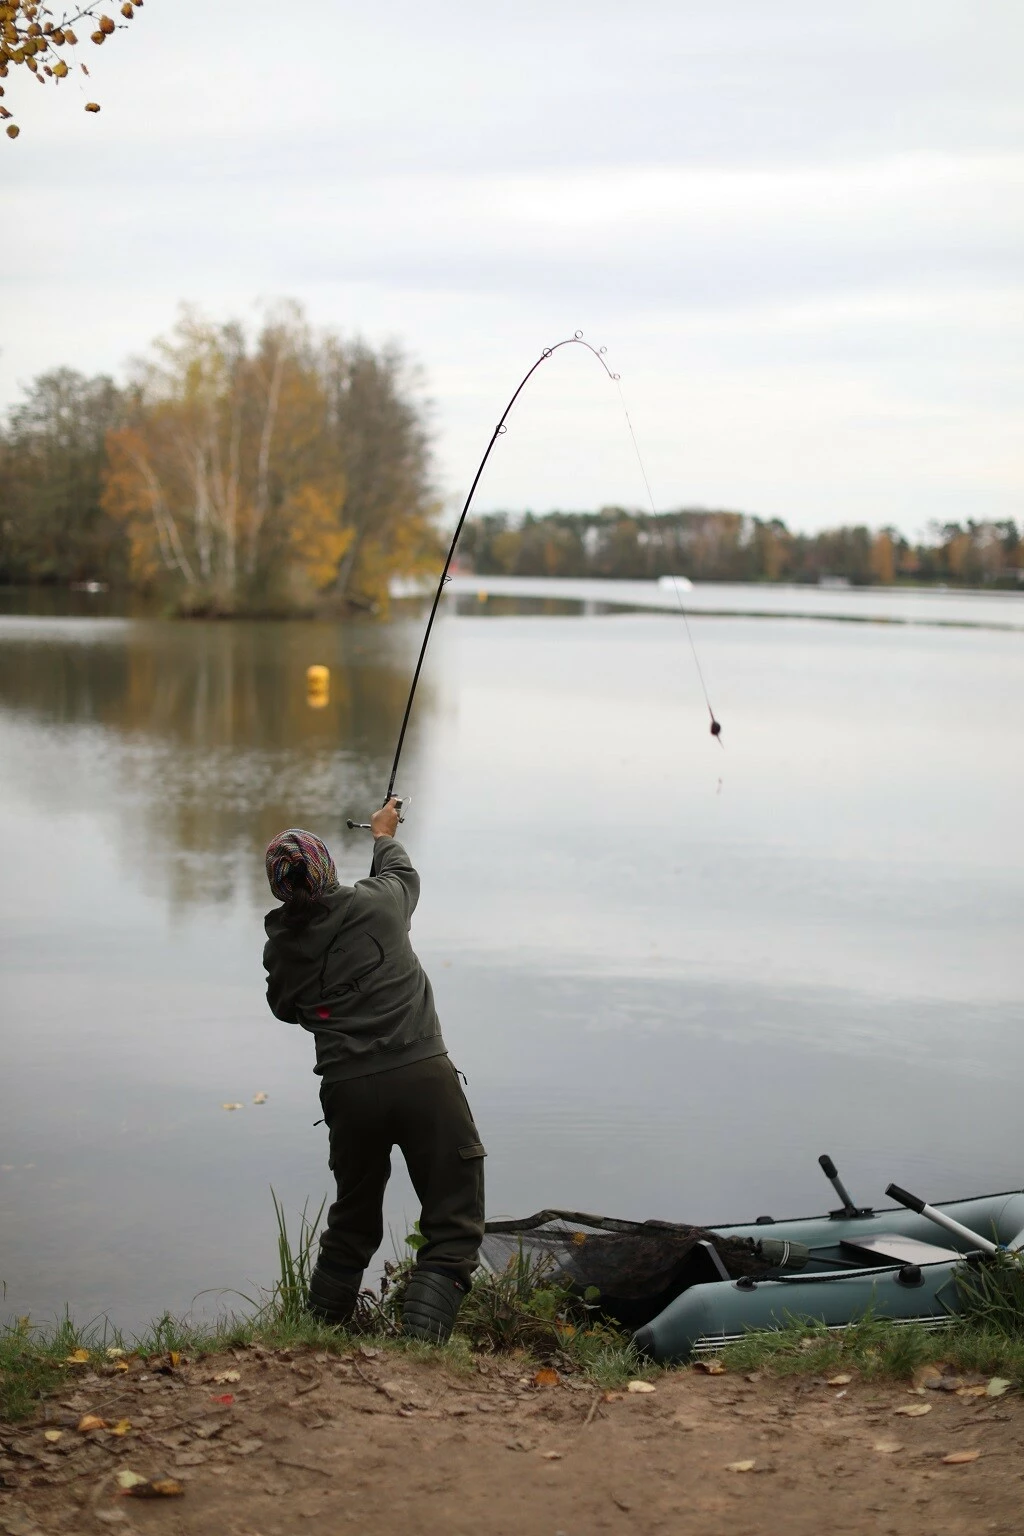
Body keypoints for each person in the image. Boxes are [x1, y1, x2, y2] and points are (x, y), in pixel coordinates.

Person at [262, 799, 486, 1342]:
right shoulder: (381, 904)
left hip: (348, 1091)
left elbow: (285, 1008)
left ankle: (315, 1336)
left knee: (354, 1219)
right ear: (329, 870)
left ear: (280, 890)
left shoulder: (282, 949)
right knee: (453, 1218)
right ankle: (421, 1344)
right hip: (422, 1079)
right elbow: (402, 873)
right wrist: (383, 834)